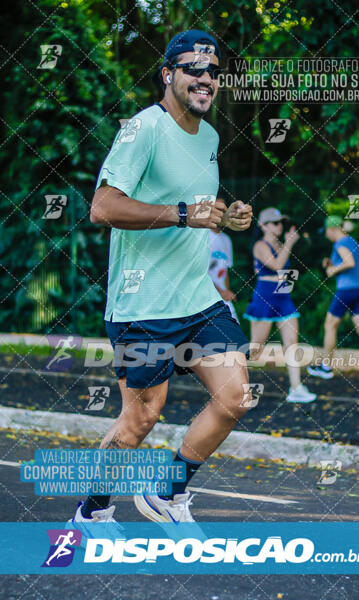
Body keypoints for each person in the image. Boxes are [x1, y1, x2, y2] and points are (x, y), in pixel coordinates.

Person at [69, 30, 253, 527]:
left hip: (197, 299)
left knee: (235, 396)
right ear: (168, 74)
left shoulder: (211, 137)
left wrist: (225, 217)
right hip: (143, 307)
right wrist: (182, 214)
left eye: (214, 71)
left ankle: (167, 494)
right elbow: (102, 208)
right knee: (139, 421)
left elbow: (197, 207)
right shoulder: (141, 129)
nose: (206, 78)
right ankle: (92, 511)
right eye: (194, 68)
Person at [307, 215, 359, 383]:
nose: (326, 236)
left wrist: (333, 270)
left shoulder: (340, 243)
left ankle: (326, 367)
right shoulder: (352, 241)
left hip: (347, 290)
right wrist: (331, 263)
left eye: (327, 232)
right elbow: (349, 260)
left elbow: (349, 262)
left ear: (333, 229)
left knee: (330, 324)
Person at [244, 207, 316, 403]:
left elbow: (284, 271)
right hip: (265, 297)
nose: (280, 226)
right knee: (256, 349)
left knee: (291, 343)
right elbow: (276, 265)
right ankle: (235, 387)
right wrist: (290, 243)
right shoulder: (260, 245)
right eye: (275, 223)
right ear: (263, 226)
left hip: (283, 298)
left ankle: (296, 388)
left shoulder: (279, 244)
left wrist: (287, 244)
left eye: (280, 222)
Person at [208, 225, 239, 321]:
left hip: (222, 298)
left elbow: (225, 271)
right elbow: (199, 272)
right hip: (206, 298)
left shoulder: (226, 239)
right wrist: (221, 292)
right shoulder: (203, 237)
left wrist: (226, 291)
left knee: (233, 329)